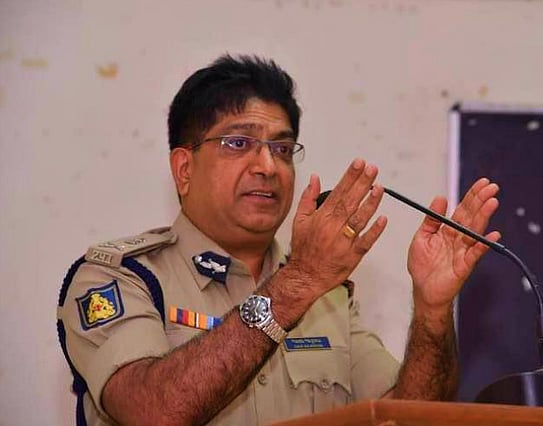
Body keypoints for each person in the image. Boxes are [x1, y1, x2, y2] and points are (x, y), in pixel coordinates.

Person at [57, 54, 501, 426]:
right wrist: (298, 281)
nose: (268, 166)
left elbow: (407, 416)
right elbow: (152, 413)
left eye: (282, 149)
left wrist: (432, 311)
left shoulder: (326, 297)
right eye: (238, 143)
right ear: (184, 169)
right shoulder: (121, 278)